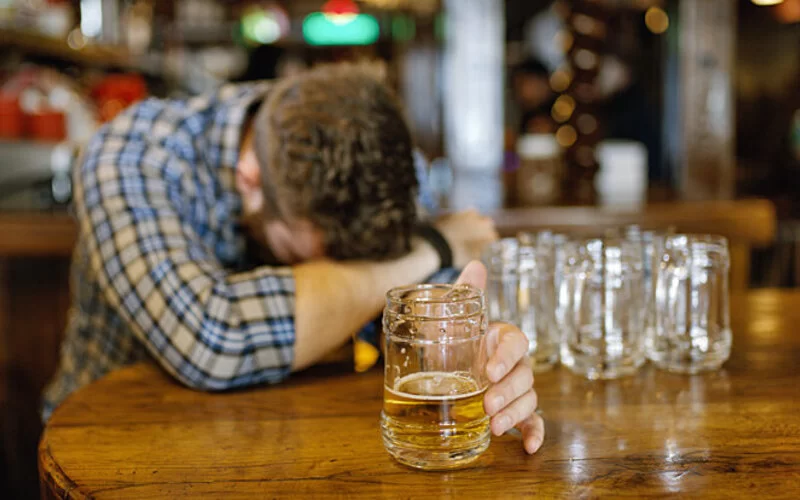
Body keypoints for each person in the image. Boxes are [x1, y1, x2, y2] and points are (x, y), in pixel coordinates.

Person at [42, 63, 545, 454]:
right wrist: (433, 244)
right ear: (250, 178)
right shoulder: (131, 155)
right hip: (113, 443)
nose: (347, 274)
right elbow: (213, 338)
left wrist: (481, 353)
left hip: (294, 440)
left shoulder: (377, 159)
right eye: (325, 261)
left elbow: (421, 317)